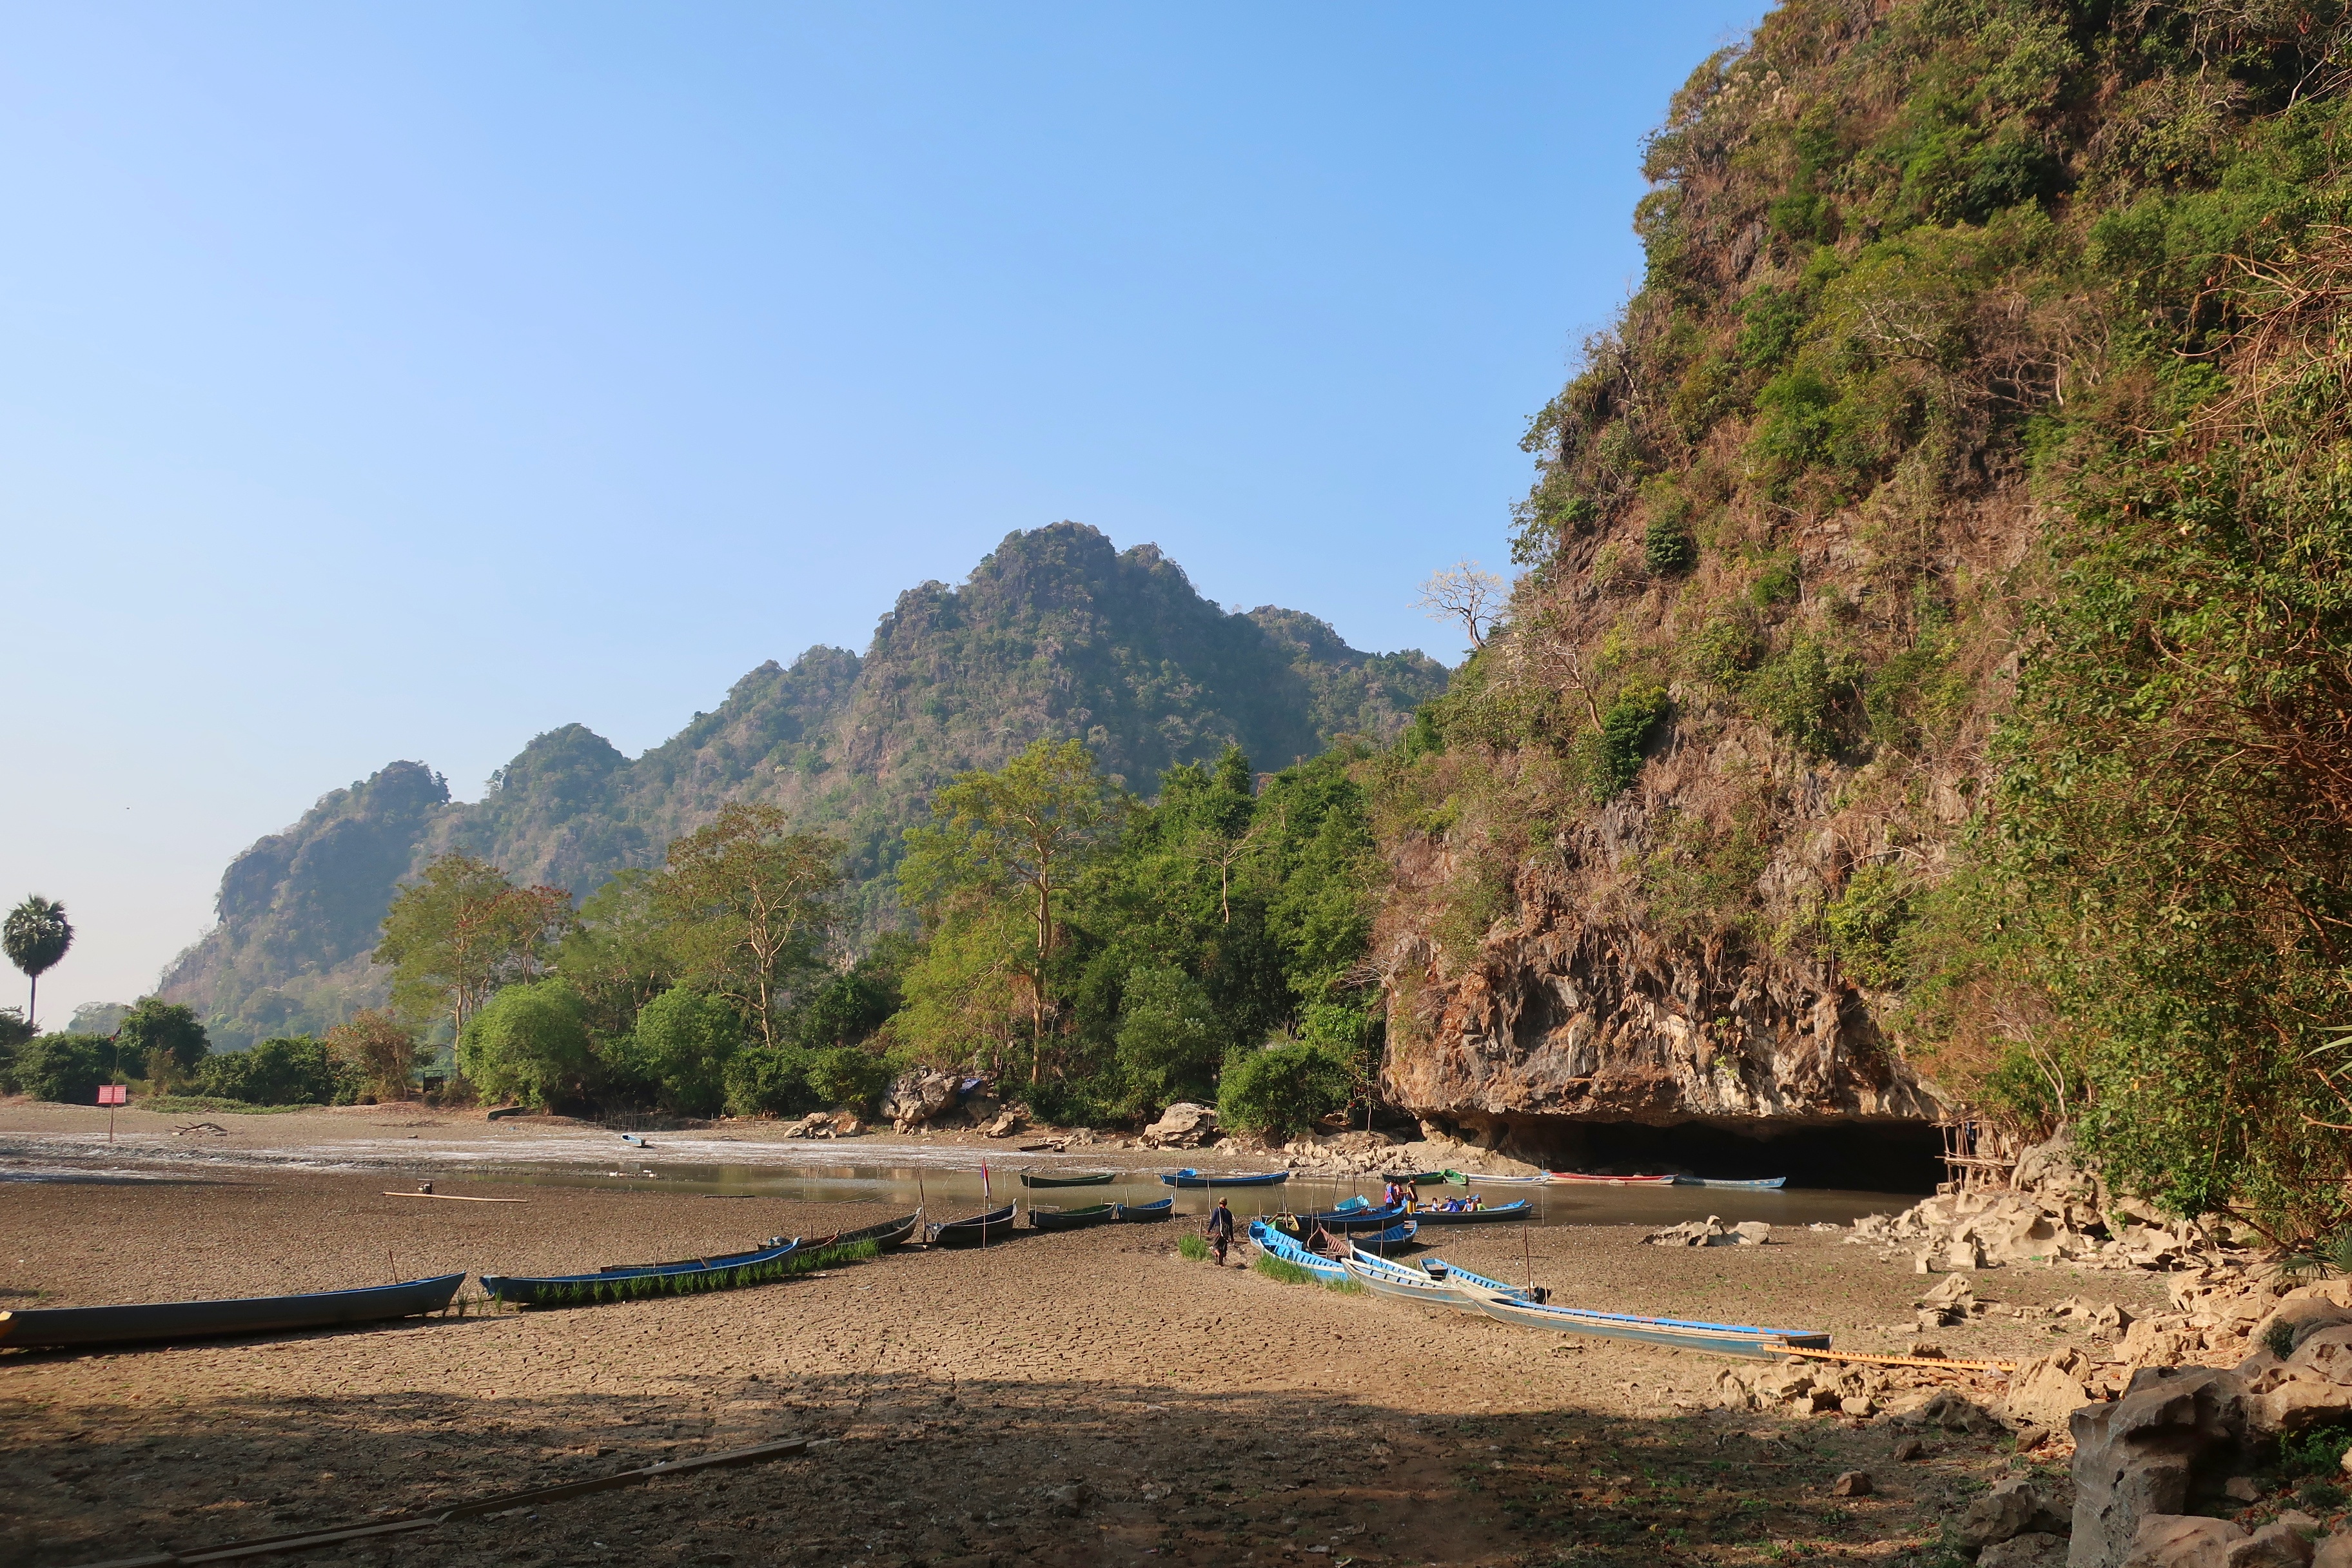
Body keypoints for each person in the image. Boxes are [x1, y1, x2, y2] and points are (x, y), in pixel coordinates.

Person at [1206, 1197, 1235, 1264]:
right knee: (1222, 1246)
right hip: (1226, 1231)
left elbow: (1213, 1221)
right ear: (1226, 1204)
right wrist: (1232, 1237)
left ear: (1219, 1203)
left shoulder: (1217, 1210)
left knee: (1215, 1245)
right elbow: (1231, 1226)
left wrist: (1209, 1230)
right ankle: (1221, 1262)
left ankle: (1218, 1254)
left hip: (1219, 1229)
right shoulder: (1229, 1213)